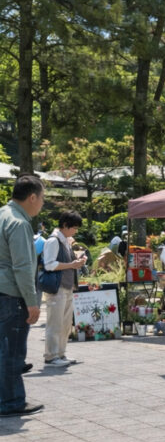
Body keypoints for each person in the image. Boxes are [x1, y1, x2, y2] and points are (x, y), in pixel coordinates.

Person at [0, 175, 45, 417]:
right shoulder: (19, 223)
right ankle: (11, 401)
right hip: (12, 294)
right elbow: (22, 267)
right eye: (43, 198)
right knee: (13, 351)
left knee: (3, 349)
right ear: (32, 197)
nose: (42, 204)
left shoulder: (2, 215)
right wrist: (31, 302)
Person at [41, 211, 87, 368]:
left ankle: (60, 353)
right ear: (65, 225)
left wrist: (77, 261)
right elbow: (49, 264)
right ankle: (51, 356)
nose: (75, 231)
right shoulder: (53, 241)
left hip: (67, 287)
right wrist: (71, 265)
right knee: (55, 323)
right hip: (57, 288)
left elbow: (66, 262)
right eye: (74, 228)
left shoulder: (65, 241)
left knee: (66, 324)